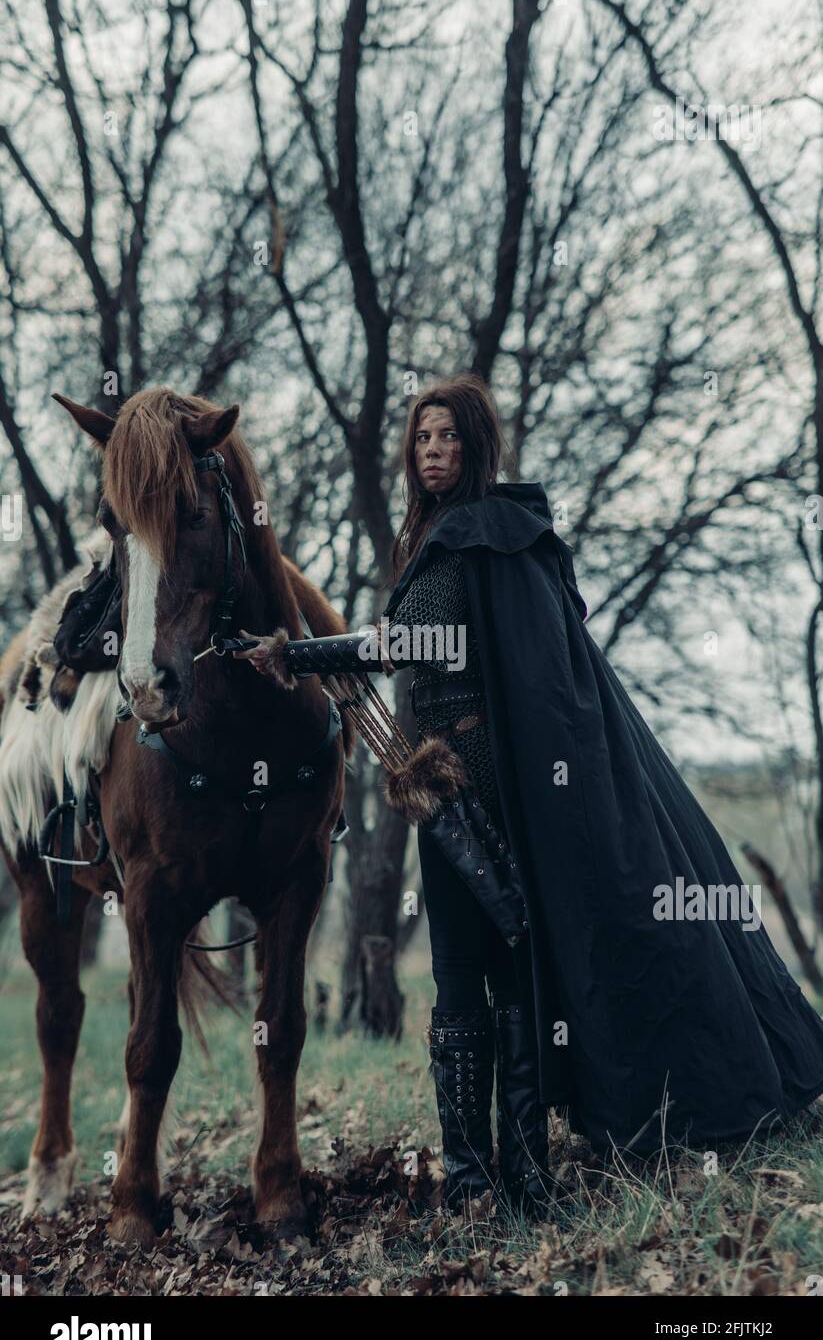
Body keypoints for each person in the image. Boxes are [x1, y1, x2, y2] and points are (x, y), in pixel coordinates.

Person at [236, 373, 823, 1219]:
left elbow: (415, 644)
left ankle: (510, 1173)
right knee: (472, 977)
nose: (433, 453)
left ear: (477, 447)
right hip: (444, 793)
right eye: (422, 440)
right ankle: (486, 1174)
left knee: (492, 977)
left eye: (448, 439)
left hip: (481, 798)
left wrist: (300, 654)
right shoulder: (449, 534)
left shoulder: (484, 533)